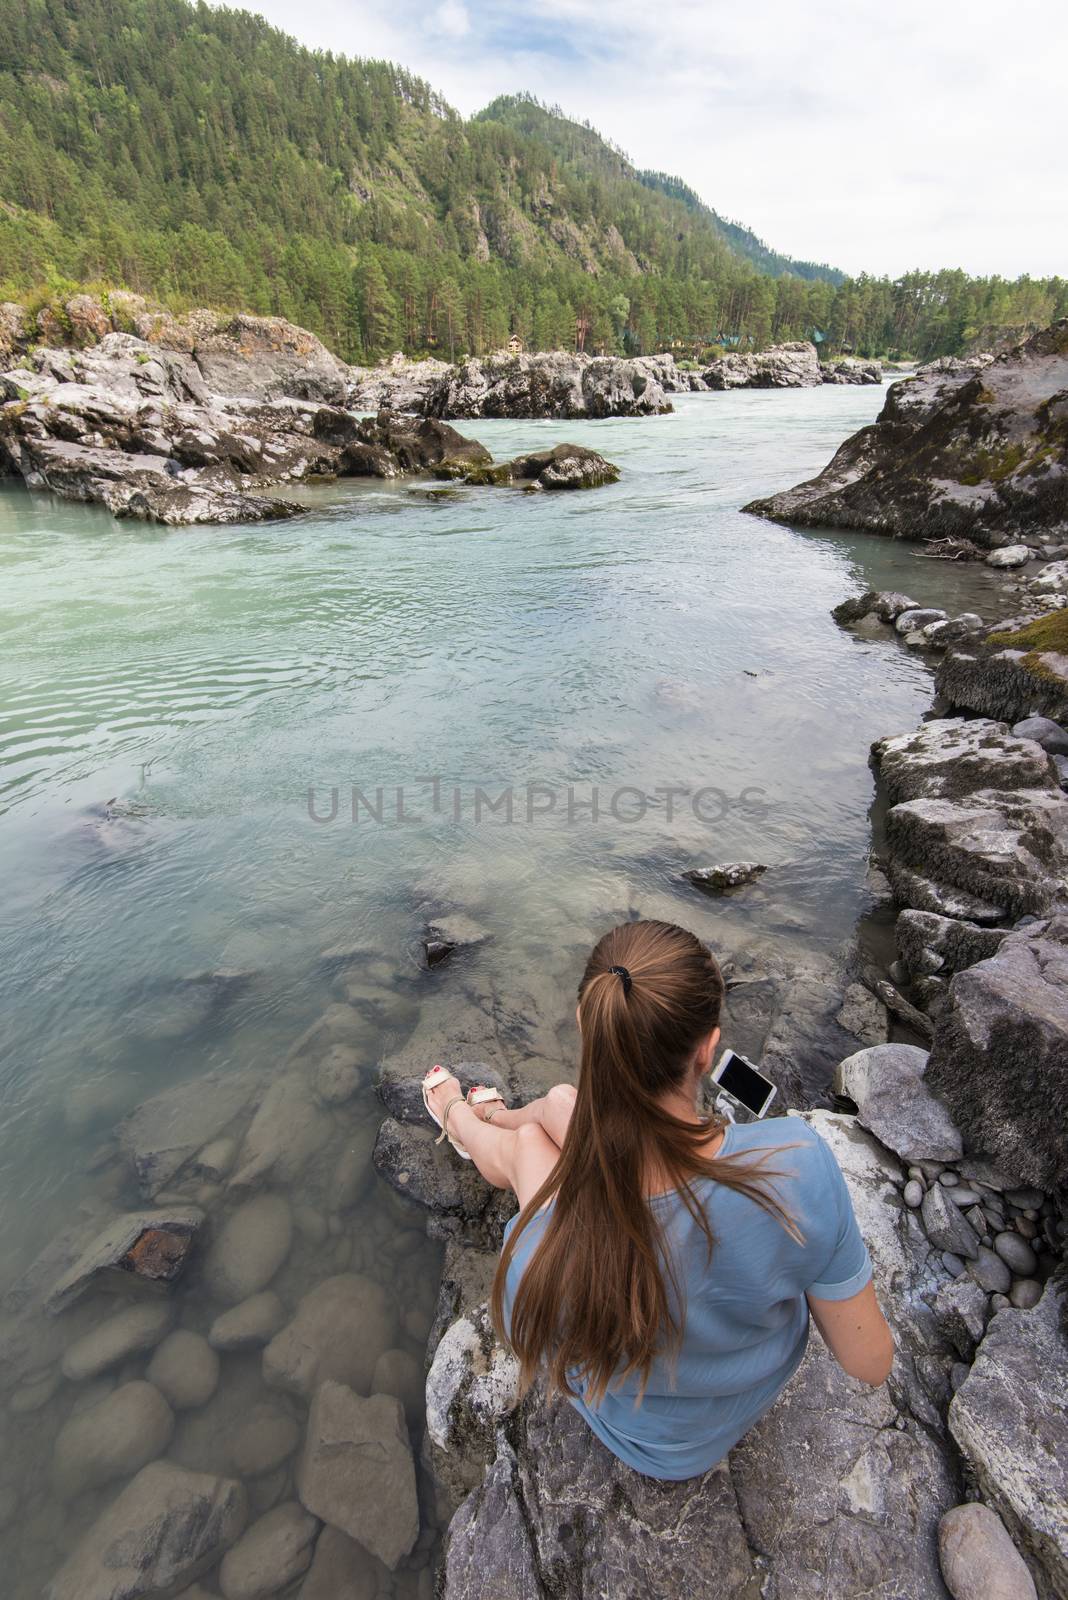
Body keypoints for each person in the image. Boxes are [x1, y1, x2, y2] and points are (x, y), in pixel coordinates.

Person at [422, 918, 894, 1481]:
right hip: (753, 1392)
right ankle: (494, 1116)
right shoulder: (799, 1163)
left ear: (588, 1028)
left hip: (659, 1450)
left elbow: (560, 1361)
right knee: (559, 1105)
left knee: (530, 1146)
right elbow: (869, 1364)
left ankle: (460, 1118)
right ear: (709, 1050)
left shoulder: (543, 1254)